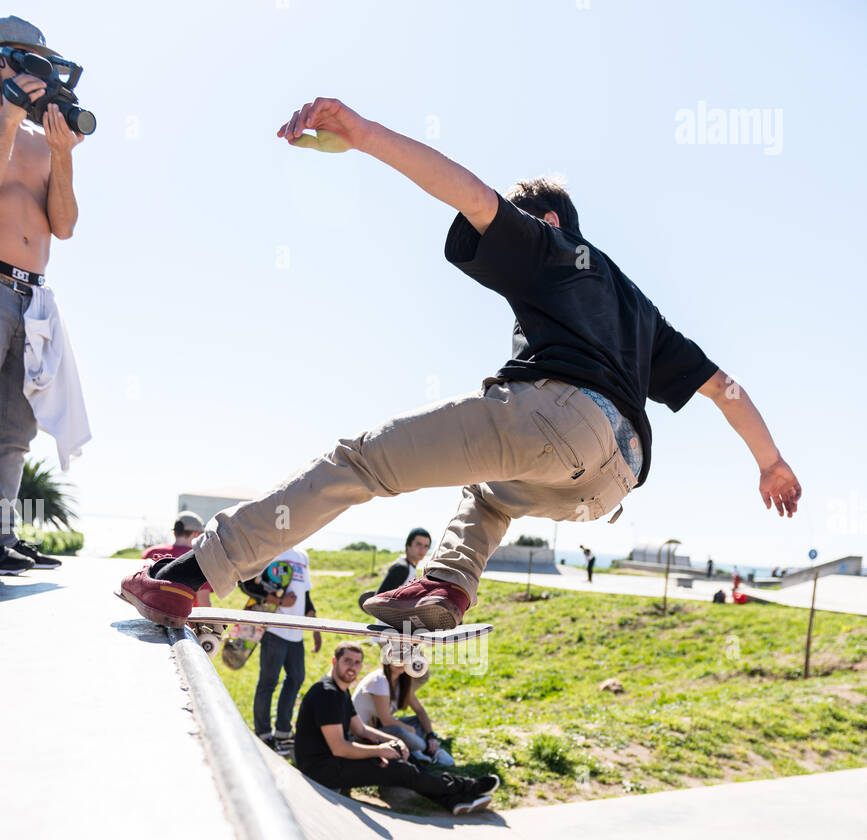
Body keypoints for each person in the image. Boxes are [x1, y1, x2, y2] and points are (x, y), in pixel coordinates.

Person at [119, 96, 803, 634]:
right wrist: (770, 464)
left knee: (358, 462)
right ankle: (445, 583)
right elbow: (724, 387)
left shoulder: (551, 247)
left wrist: (366, 134)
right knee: (487, 492)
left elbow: (473, 196)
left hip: (558, 416)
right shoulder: (637, 308)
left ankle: (196, 569)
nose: (494, 234)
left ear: (549, 223)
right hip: (611, 481)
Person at [0, 16, 87, 577]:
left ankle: (1, 534)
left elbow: (65, 224)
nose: (36, 72)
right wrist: (8, 112)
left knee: (14, 426)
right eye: (23, 58)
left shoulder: (42, 138)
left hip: (32, 299)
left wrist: (63, 153)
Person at [294, 643, 498, 815]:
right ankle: (468, 787)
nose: (352, 668)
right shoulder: (326, 694)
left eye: (357, 663)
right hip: (322, 769)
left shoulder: (341, 691)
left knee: (404, 756)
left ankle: (454, 800)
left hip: (335, 761)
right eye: (347, 661)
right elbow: (339, 748)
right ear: (334, 661)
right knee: (402, 770)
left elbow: (362, 730)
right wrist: (380, 750)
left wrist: (394, 743)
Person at [246, 546, 321, 754]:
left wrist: (315, 628)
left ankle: (283, 731)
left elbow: (305, 595)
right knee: (268, 682)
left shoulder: (302, 555)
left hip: (296, 633)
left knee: (296, 678)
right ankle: (263, 734)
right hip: (274, 629)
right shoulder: (271, 549)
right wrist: (278, 601)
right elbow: (247, 585)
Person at [353, 652, 455, 765]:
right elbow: (387, 721)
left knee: (418, 721)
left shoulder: (402, 681)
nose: (400, 662)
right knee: (401, 731)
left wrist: (431, 736)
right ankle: (427, 749)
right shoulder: (380, 680)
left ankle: (419, 748)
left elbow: (420, 711)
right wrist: (409, 729)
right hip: (363, 733)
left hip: (381, 727)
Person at [142, 511, 212, 607]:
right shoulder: (198, 558)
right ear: (196, 534)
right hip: (181, 618)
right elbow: (203, 602)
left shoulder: (150, 552)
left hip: (148, 615)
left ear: (175, 532)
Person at [358, 526, 431, 612]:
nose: (422, 549)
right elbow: (378, 600)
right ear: (408, 545)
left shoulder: (410, 567)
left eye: (426, 546)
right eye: (418, 544)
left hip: (402, 624)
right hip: (388, 624)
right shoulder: (401, 568)